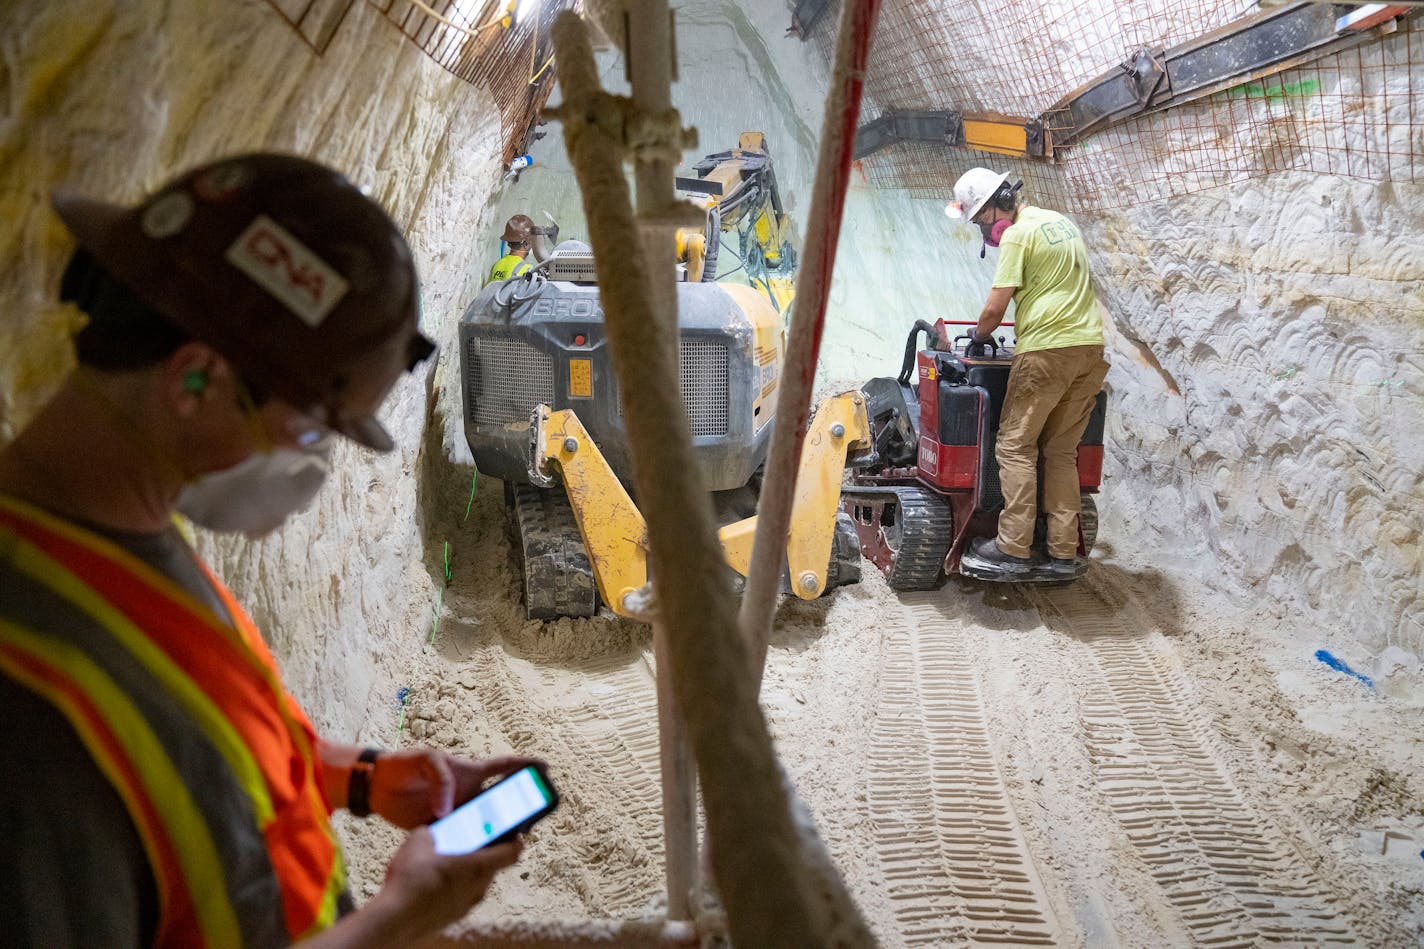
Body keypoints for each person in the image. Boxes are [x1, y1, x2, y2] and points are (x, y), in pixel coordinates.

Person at [0, 153, 538, 946]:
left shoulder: (116, 544)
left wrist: (361, 777)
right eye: (313, 429)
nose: (311, 464)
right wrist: (399, 917)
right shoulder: (29, 720)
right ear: (194, 381)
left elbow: (194, 768)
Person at [947, 167, 1109, 579]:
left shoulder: (1018, 235)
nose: (986, 228)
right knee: (1059, 452)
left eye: (982, 218)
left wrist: (979, 336)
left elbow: (995, 307)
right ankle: (1061, 551)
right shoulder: (1060, 224)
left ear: (1000, 201)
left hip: (1047, 351)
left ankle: (1013, 547)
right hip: (1088, 349)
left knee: (1015, 446)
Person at [485, 214, 537, 285]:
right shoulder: (527, 270)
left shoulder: (497, 265)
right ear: (527, 244)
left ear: (508, 243)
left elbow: (486, 291)